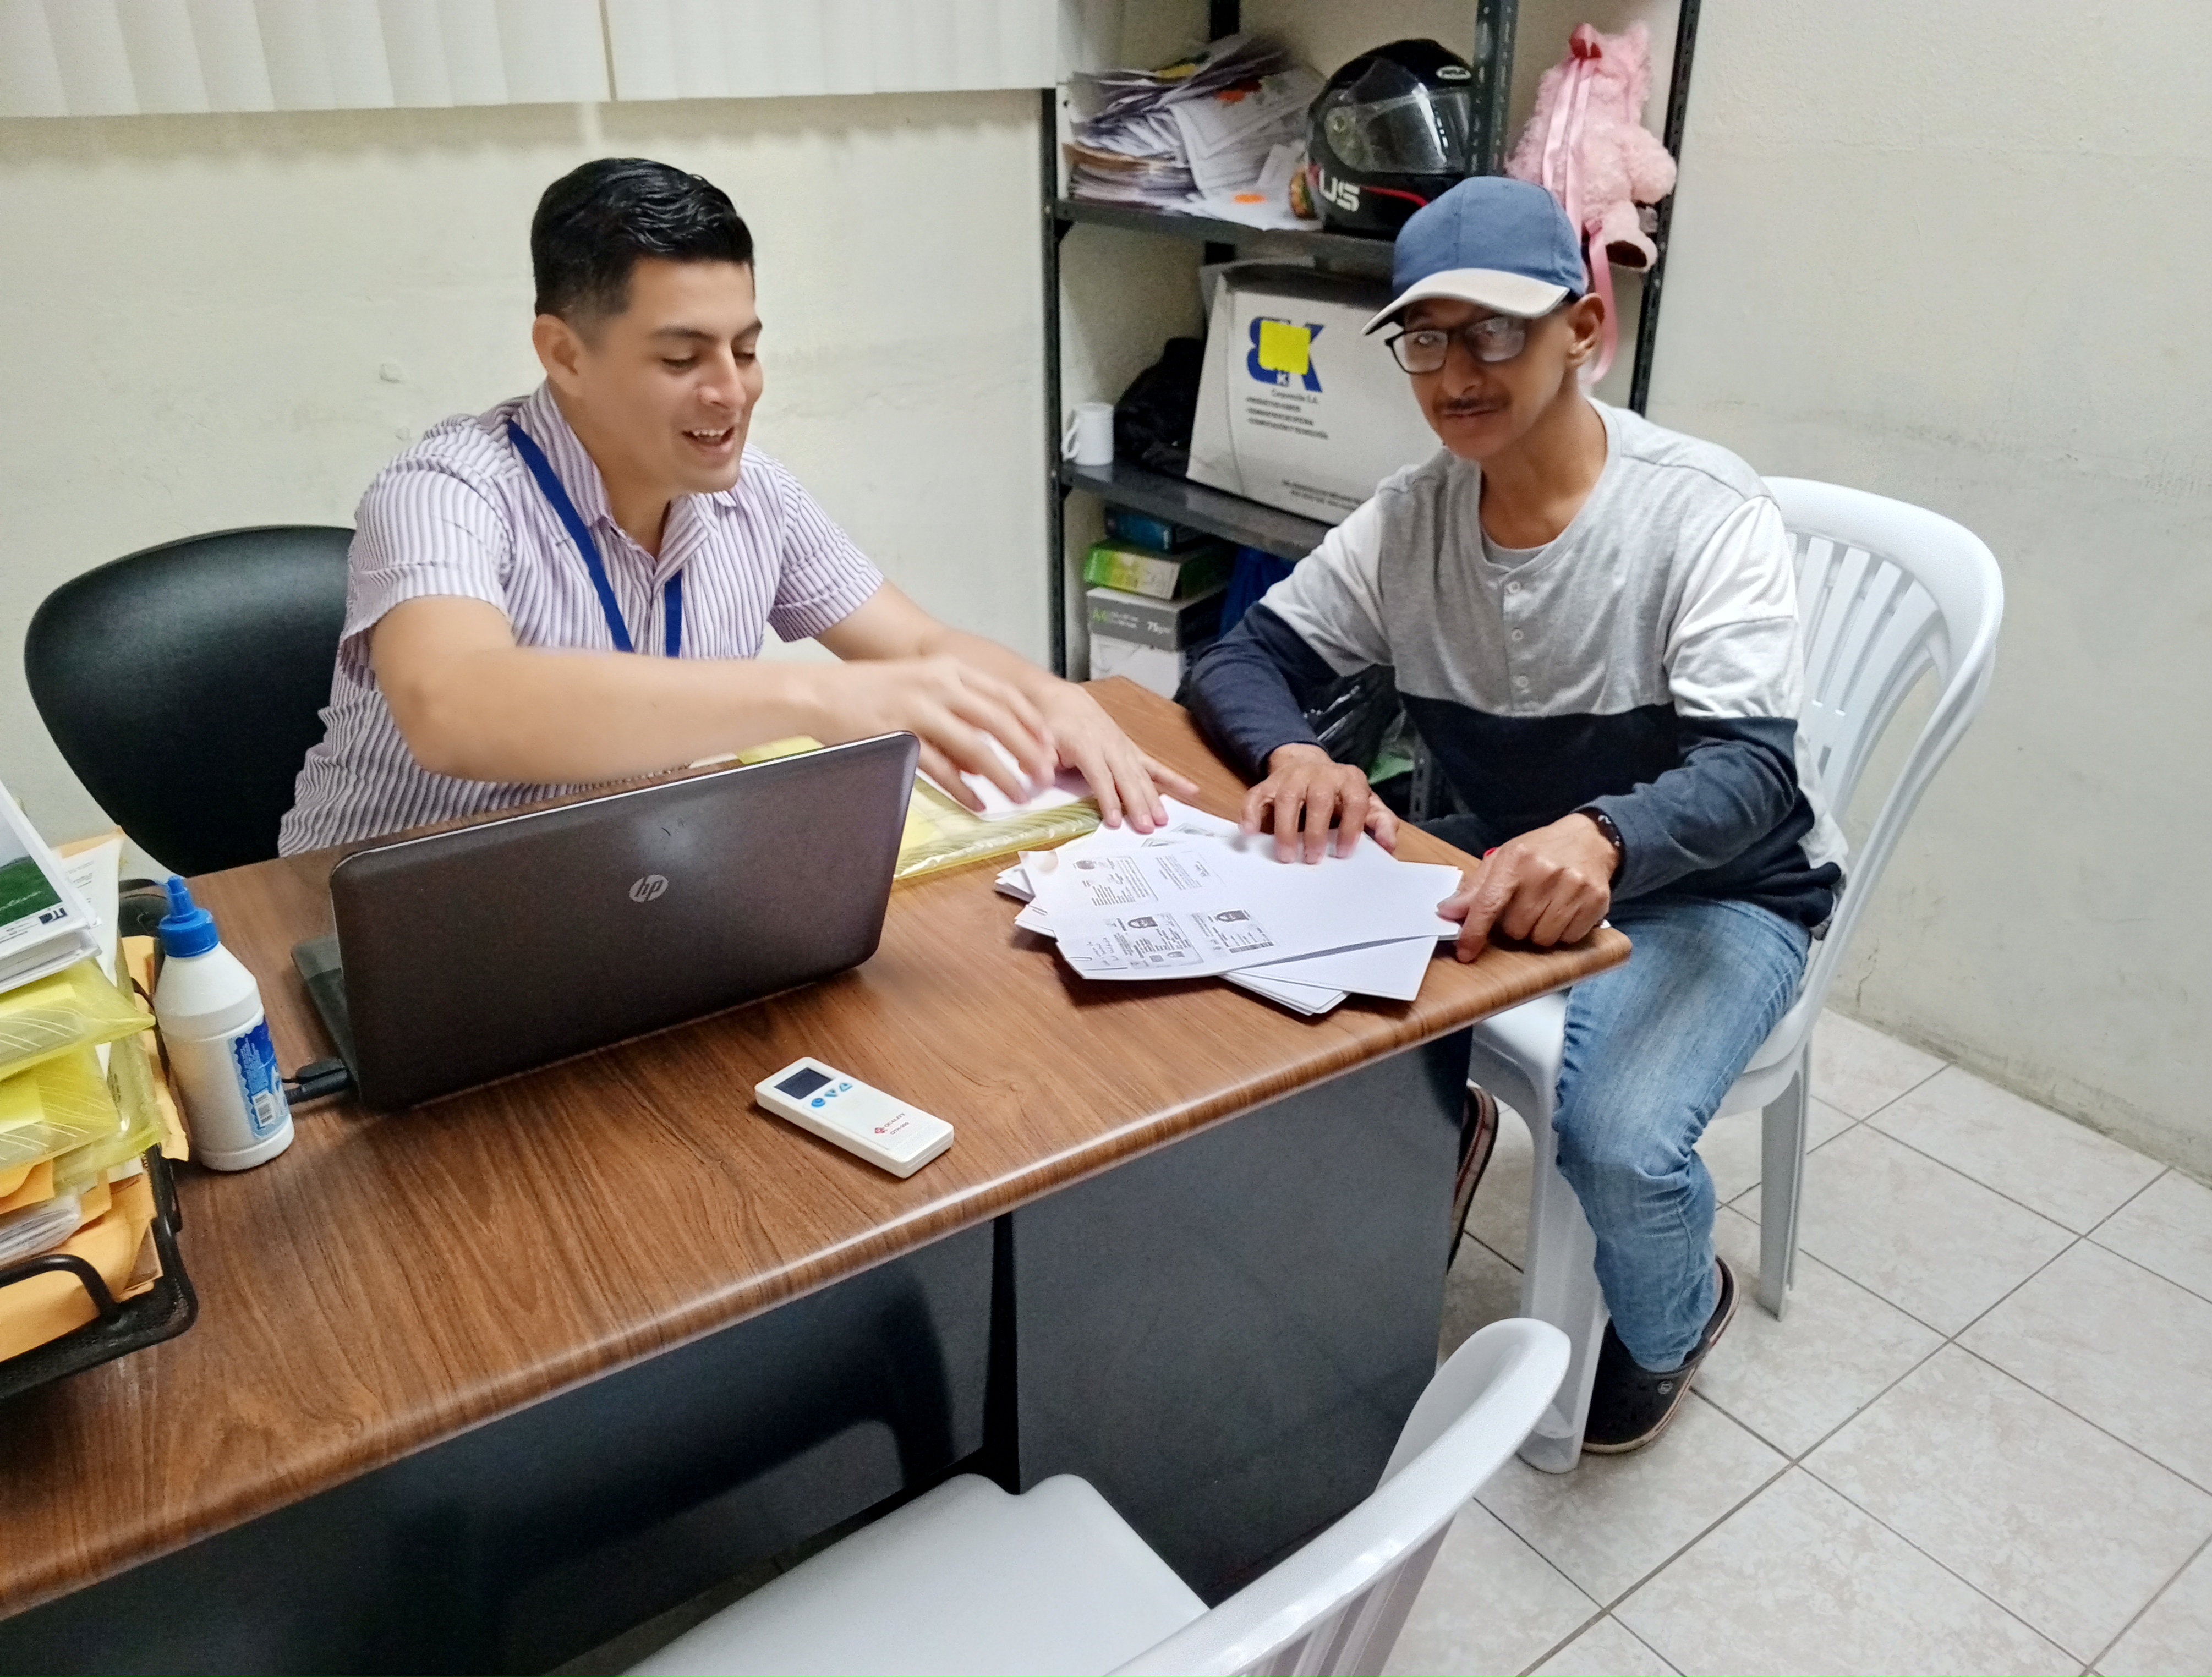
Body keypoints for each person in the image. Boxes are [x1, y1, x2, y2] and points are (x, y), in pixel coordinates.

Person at [1188, 177, 1844, 1454]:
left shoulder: (1699, 509)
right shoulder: (1410, 518)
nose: (1455, 373)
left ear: (1584, 328)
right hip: (1502, 872)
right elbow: (1241, 657)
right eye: (1424, 339)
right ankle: (1448, 1125)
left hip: (1717, 887)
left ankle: (1678, 1315)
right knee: (1292, 1024)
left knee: (1617, 1143)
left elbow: (1752, 773)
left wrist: (1602, 836)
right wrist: (1293, 752)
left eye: (1493, 330)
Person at [281, 157, 1190, 854]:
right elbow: (455, 706)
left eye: (746, 350)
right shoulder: (446, 490)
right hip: (375, 911)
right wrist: (816, 696)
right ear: (564, 355)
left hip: (625, 878)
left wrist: (1050, 698)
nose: (731, 392)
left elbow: (918, 648)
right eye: (682, 360)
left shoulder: (756, 495)